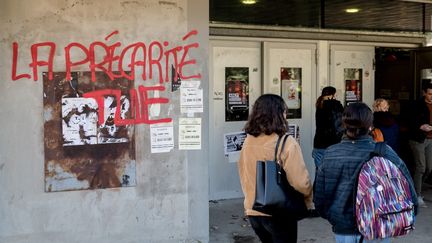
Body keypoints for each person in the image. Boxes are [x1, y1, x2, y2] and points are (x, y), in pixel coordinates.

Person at [314, 102, 417, 243]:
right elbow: (407, 183)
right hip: (378, 223)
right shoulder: (384, 151)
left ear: (344, 125)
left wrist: (332, 216)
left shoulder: (331, 153)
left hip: (343, 225)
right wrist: (409, 211)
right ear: (370, 126)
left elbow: (319, 194)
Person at [238, 94, 313, 243]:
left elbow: (243, 174)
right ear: (279, 114)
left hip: (254, 210)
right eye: (285, 111)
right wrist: (308, 198)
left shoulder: (248, 140)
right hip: (279, 212)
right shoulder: (286, 142)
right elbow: (300, 182)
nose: (286, 115)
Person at [408, 82, 432, 208]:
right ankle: (416, 195)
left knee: (429, 168)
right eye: (429, 94)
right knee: (421, 167)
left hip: (431, 140)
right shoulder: (416, 105)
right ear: (424, 93)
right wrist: (420, 126)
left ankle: (412, 187)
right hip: (418, 139)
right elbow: (408, 121)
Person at [312, 86, 344, 168]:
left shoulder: (320, 105)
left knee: (319, 173)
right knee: (333, 174)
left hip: (318, 145)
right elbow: (340, 126)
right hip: (333, 145)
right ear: (332, 95)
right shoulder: (336, 106)